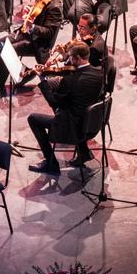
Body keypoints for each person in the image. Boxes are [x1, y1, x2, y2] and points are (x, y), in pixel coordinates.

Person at [27, 41, 105, 176]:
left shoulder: (69, 81)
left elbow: (54, 102)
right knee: (71, 107)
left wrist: (43, 79)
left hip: (72, 127)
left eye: (70, 57)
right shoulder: (99, 73)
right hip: (92, 122)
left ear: (78, 58)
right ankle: (84, 153)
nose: (68, 59)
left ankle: (51, 163)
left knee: (33, 119)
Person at [0, 0, 64, 88]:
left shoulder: (55, 7)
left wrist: (33, 26)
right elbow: (38, 11)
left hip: (38, 42)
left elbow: (49, 33)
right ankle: (25, 72)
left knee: (7, 52)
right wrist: (30, 11)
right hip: (25, 32)